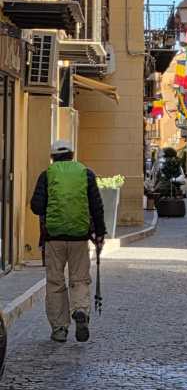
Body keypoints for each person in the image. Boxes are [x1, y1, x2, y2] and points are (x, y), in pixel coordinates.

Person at [30, 140, 106, 344]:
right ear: (72, 155)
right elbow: (96, 206)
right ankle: (80, 310)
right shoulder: (86, 174)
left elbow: (36, 206)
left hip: (53, 238)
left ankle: (59, 328)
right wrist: (100, 234)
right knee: (80, 279)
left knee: (55, 282)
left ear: (52, 157)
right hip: (79, 237)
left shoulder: (47, 175)